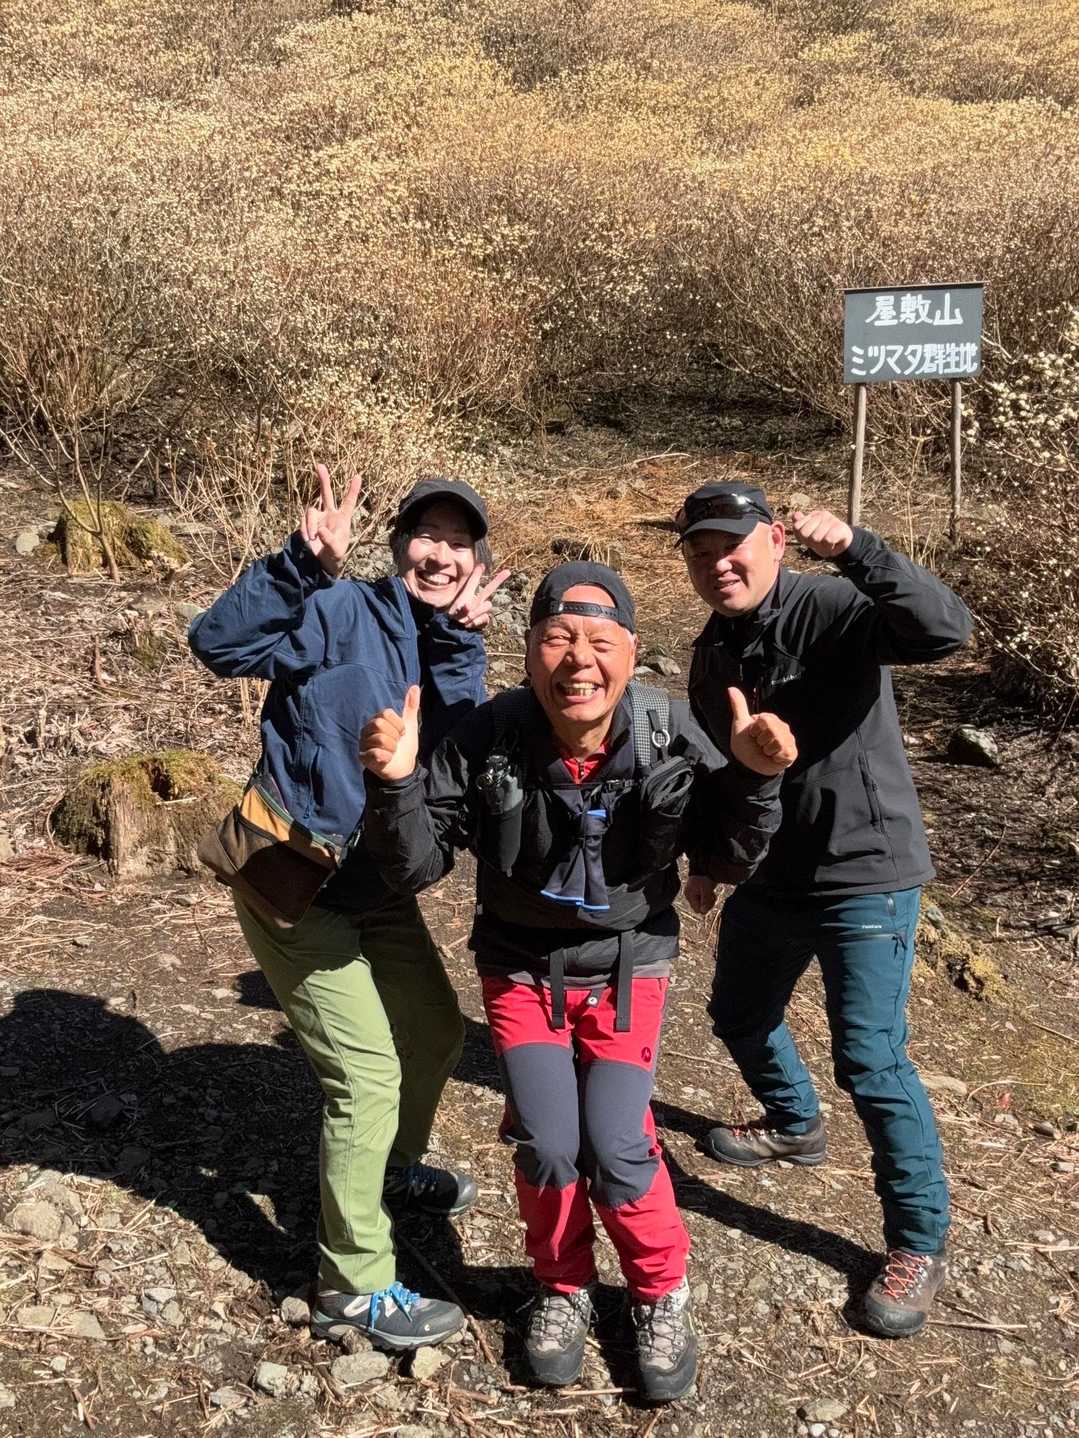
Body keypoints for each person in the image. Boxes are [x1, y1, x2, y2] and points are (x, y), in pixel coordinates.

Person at [357, 561, 797, 1401]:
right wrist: (396, 785)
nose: (578, 660)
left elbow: (726, 856)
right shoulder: (487, 735)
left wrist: (753, 780)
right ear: (528, 652)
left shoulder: (667, 727)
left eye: (600, 641)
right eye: (557, 638)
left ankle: (659, 1292)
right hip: (520, 967)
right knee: (550, 1142)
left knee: (619, 1144)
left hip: (629, 967)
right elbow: (414, 865)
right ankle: (561, 1286)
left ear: (631, 652)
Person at [189, 463, 508, 1351]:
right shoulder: (337, 609)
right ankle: (353, 1285)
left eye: (458, 542)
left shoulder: (449, 644)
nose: (440, 554)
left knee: (434, 1031)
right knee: (364, 1079)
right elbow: (217, 646)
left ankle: (391, 1171)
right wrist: (300, 562)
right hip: (294, 879)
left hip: (376, 887)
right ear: (397, 543)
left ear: (475, 562)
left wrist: (458, 645)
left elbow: (450, 764)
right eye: (426, 535)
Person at [677, 480, 973, 1338]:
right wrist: (711, 859)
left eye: (733, 545)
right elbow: (724, 774)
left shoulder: (833, 607)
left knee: (871, 1061)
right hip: (771, 875)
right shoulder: (710, 653)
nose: (717, 564)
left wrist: (856, 549)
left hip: (865, 872)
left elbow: (944, 631)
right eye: (700, 552)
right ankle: (793, 1123)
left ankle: (917, 1241)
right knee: (738, 1015)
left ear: (775, 540)